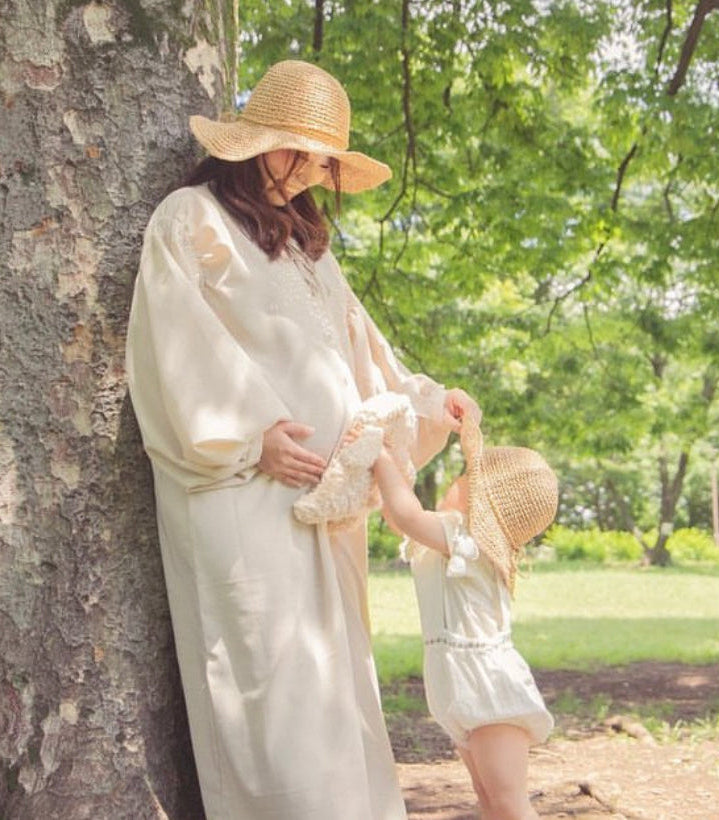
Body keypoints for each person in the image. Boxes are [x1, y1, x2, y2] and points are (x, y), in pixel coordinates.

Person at [125, 59, 479, 820]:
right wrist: (252, 438)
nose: (321, 170)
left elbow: (357, 349)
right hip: (241, 495)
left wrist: (423, 400)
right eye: (311, 152)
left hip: (325, 505)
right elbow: (172, 339)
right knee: (270, 702)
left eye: (329, 160)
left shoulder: (304, 246)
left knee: (334, 693)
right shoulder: (191, 220)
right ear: (263, 144)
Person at [296, 408, 558, 820]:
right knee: (489, 799)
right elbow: (397, 516)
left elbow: (406, 515)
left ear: (482, 501)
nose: (454, 484)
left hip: (490, 689)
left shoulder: (467, 541)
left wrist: (381, 455)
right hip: (459, 684)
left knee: (507, 800)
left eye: (463, 481)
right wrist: (391, 462)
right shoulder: (449, 537)